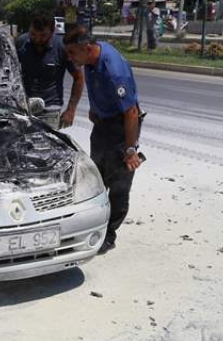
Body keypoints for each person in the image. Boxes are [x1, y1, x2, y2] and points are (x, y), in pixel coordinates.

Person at [63, 26, 144, 255]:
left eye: (72, 53)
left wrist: (130, 149)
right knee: (95, 178)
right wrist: (96, 109)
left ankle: (109, 234)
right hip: (102, 126)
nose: (70, 58)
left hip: (121, 129)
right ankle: (91, 225)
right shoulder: (89, 60)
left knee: (118, 186)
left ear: (87, 48)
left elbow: (131, 113)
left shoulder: (113, 70)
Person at [15, 14, 85, 129]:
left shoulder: (62, 47)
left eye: (42, 35)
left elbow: (79, 77)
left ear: (52, 31)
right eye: (33, 34)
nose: (37, 39)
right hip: (24, 108)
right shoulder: (21, 42)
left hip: (50, 110)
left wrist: (71, 110)